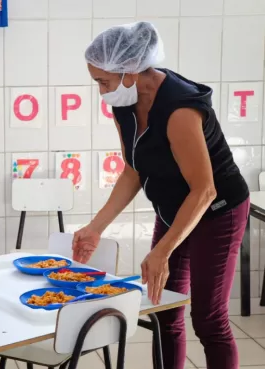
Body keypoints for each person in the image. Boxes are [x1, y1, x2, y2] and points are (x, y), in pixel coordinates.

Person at [73, 22, 249, 369]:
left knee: (208, 319)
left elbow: (204, 189)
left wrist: (162, 251)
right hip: (173, 208)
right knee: (165, 310)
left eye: (103, 81)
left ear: (130, 71)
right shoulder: (123, 102)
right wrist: (95, 228)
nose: (100, 91)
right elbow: (133, 169)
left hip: (217, 211)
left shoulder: (179, 109)